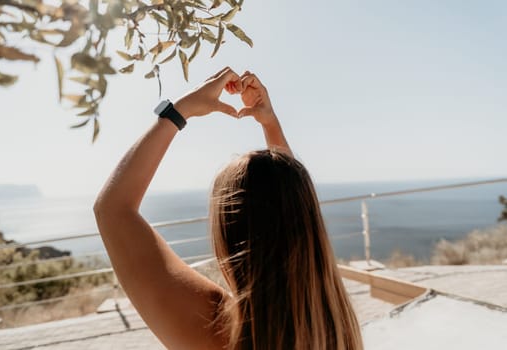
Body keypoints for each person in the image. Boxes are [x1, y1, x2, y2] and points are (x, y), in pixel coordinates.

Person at [94, 67, 363, 350]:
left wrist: (180, 111)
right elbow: (288, 207)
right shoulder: (338, 325)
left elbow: (112, 210)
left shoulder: (218, 329)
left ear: (228, 232)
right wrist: (270, 124)